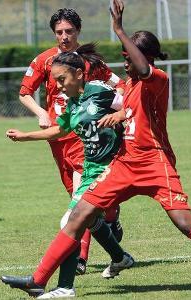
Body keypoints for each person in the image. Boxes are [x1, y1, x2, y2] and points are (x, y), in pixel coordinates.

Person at [0, 0, 191, 296]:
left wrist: (118, 28)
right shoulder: (127, 86)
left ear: (145, 57)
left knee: (184, 222)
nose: (125, 64)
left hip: (155, 162)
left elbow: (142, 71)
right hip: (124, 164)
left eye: (128, 58)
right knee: (78, 215)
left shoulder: (158, 79)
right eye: (124, 58)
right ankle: (39, 281)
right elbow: (126, 105)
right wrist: (117, 115)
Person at [2, 43, 134, 299]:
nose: (58, 86)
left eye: (62, 79)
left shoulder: (100, 91)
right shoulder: (71, 103)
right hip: (91, 169)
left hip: (112, 168)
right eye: (55, 81)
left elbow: (132, 103)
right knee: (89, 220)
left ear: (79, 74)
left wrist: (120, 117)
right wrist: (25, 135)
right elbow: (59, 129)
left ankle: (64, 286)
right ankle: (120, 257)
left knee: (70, 221)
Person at [18, 8, 125, 274]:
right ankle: (113, 232)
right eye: (59, 32)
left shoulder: (89, 62)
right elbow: (24, 92)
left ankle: (79, 260)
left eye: (69, 31)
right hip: (57, 137)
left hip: (84, 138)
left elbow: (120, 85)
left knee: (79, 204)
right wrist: (41, 112)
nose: (64, 36)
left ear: (78, 31)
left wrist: (117, 113)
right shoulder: (45, 60)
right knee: (82, 201)